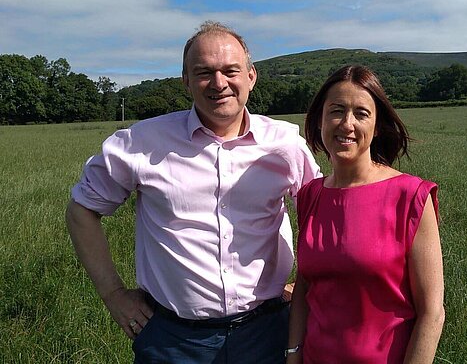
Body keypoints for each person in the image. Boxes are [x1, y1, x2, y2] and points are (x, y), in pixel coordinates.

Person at [66, 21, 321, 363]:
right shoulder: (140, 143)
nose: (219, 83)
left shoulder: (285, 143)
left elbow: (321, 214)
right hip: (173, 340)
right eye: (204, 72)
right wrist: (113, 294)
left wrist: (306, 287)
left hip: (269, 331)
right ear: (186, 80)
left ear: (251, 76)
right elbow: (82, 209)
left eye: (231, 70)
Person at [286, 65, 445, 363]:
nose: (346, 124)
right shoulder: (310, 195)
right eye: (336, 110)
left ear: (377, 125)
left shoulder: (410, 197)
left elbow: (432, 313)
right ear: (320, 118)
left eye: (361, 113)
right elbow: (305, 286)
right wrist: (293, 355)